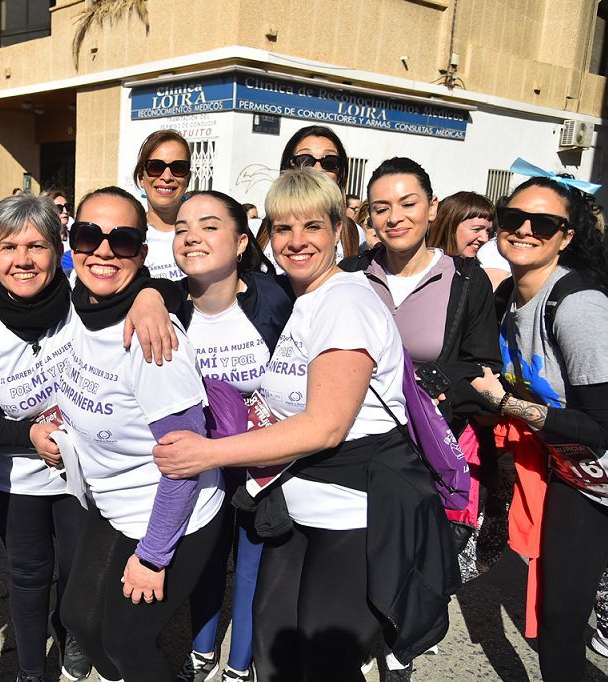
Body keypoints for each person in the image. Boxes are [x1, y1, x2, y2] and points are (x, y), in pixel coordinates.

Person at [153, 168, 458, 682]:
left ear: (339, 230)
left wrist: (207, 454)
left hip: (354, 512)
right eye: (283, 228)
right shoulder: (305, 298)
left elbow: (325, 427)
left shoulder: (345, 302)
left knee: (323, 663)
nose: (296, 242)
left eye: (312, 227)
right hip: (302, 506)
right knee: (276, 656)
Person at [42, 186, 226, 681]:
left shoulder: (151, 343)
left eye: (121, 240)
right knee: (80, 618)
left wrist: (153, 556)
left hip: (171, 514)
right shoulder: (78, 306)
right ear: (71, 242)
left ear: (141, 254)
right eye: (88, 235)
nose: (102, 250)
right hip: (115, 502)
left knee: (127, 642)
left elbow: (184, 464)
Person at [342, 158, 501, 677]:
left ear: (432, 208)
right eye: (382, 207)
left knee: (407, 558)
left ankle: (399, 653)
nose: (395, 217)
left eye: (408, 204)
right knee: (358, 550)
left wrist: (436, 385)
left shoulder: (468, 278)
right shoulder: (350, 275)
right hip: (355, 441)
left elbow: (484, 364)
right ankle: (364, 640)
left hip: (421, 449)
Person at [471, 174, 608, 681]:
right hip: (581, 475)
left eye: (544, 223)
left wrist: (507, 404)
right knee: (559, 618)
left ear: (567, 236)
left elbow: (605, 427)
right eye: (513, 218)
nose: (524, 230)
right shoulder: (510, 300)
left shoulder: (578, 307)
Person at [0, 194, 92, 682]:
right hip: (14, 478)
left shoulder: (87, 308)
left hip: (85, 474)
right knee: (29, 576)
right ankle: (32, 669)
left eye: (36, 245)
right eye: (9, 246)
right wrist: (27, 433)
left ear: (58, 251)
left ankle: (75, 636)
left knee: (78, 570)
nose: (23, 259)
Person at [172, 191, 292, 682]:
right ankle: (202, 654)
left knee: (251, 566)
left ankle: (240, 663)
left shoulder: (275, 298)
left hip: (261, 461)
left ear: (242, 241)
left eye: (208, 225)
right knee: (203, 561)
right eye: (181, 228)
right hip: (198, 460)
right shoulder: (163, 300)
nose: (192, 237)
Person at [277, 124, 364, 260]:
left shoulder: (355, 233)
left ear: (340, 173)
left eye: (329, 162)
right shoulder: (256, 229)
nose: (317, 169)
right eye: (305, 161)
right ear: (288, 167)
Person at [135, 129, 192, 280]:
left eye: (178, 168)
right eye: (155, 167)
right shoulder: (126, 235)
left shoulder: (208, 235)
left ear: (188, 177)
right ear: (141, 177)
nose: (167, 177)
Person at [41, 189, 74, 270]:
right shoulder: (43, 240)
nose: (65, 211)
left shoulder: (75, 237)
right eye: (59, 208)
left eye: (67, 207)